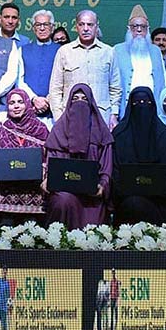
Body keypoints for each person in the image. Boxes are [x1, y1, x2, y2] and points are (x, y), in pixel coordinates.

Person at [44, 84, 113, 229]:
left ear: (91, 104)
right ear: (69, 103)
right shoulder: (58, 132)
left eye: (84, 99)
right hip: (64, 191)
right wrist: (48, 180)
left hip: (92, 195)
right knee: (62, 201)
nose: (79, 103)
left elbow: (106, 168)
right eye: (75, 99)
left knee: (94, 222)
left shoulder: (101, 132)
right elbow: (51, 164)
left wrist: (102, 186)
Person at [112, 87, 166, 225]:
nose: (142, 107)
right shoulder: (120, 135)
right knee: (134, 204)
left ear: (153, 106)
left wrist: (159, 188)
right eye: (137, 103)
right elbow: (115, 172)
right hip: (127, 199)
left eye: (146, 103)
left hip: (161, 200)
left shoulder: (163, 135)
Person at [0, 89, 49, 225]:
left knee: (31, 227)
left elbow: (47, 157)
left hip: (33, 186)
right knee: (5, 225)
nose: (16, 106)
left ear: (27, 104)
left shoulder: (41, 129)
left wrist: (42, 172)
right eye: (11, 103)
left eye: (20, 102)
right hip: (5, 186)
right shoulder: (0, 129)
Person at [49, 10, 121, 128]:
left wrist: (113, 114)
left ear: (96, 26)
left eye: (90, 24)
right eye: (82, 24)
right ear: (76, 27)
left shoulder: (109, 52)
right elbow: (55, 88)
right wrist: (58, 117)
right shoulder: (64, 52)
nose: (86, 28)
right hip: (71, 117)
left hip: (101, 117)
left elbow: (115, 88)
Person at [17, 9, 60, 124]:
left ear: (52, 27)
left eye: (45, 24)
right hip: (29, 110)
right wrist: (34, 99)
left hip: (54, 112)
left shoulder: (62, 50)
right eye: (38, 25)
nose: (42, 28)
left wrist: (48, 100)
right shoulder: (22, 50)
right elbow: (19, 80)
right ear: (33, 28)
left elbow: (65, 81)